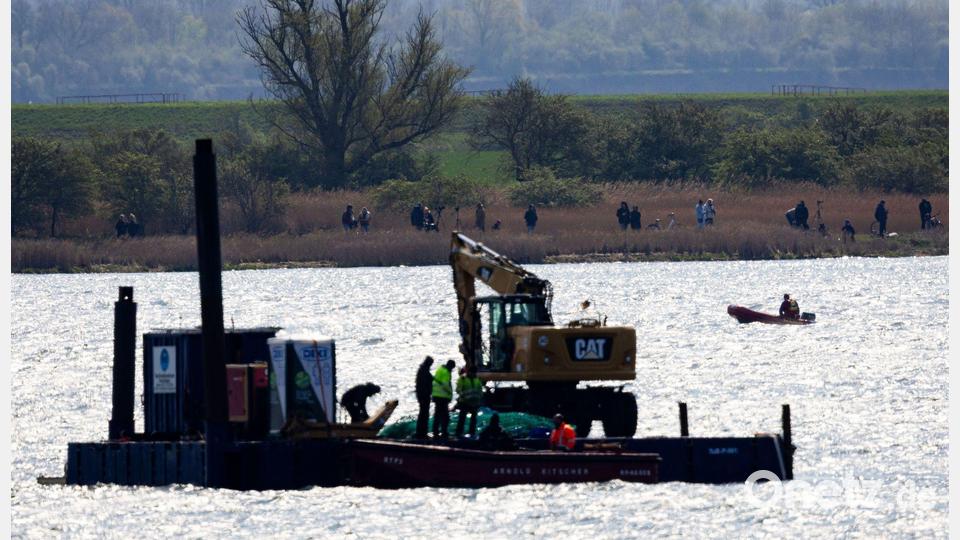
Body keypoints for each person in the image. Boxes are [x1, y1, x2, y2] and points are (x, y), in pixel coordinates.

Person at [454, 366, 483, 437]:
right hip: (464, 402)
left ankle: (472, 433)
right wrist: (463, 396)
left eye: (474, 373)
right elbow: (458, 389)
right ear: (469, 372)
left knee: (473, 420)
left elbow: (480, 391)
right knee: (462, 418)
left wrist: (479, 400)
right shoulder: (463, 379)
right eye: (472, 372)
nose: (473, 374)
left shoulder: (477, 380)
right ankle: (459, 433)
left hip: (474, 403)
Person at [431, 359, 456, 439]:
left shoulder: (440, 369)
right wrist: (450, 393)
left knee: (437, 415)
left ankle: (435, 432)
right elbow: (445, 385)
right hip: (442, 397)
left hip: (436, 395)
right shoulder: (446, 372)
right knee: (445, 416)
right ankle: (444, 432)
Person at [414, 356, 434, 439]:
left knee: (424, 414)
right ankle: (421, 433)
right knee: (424, 414)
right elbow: (422, 385)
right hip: (423, 396)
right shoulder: (423, 371)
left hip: (424, 396)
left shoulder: (423, 370)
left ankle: (422, 432)